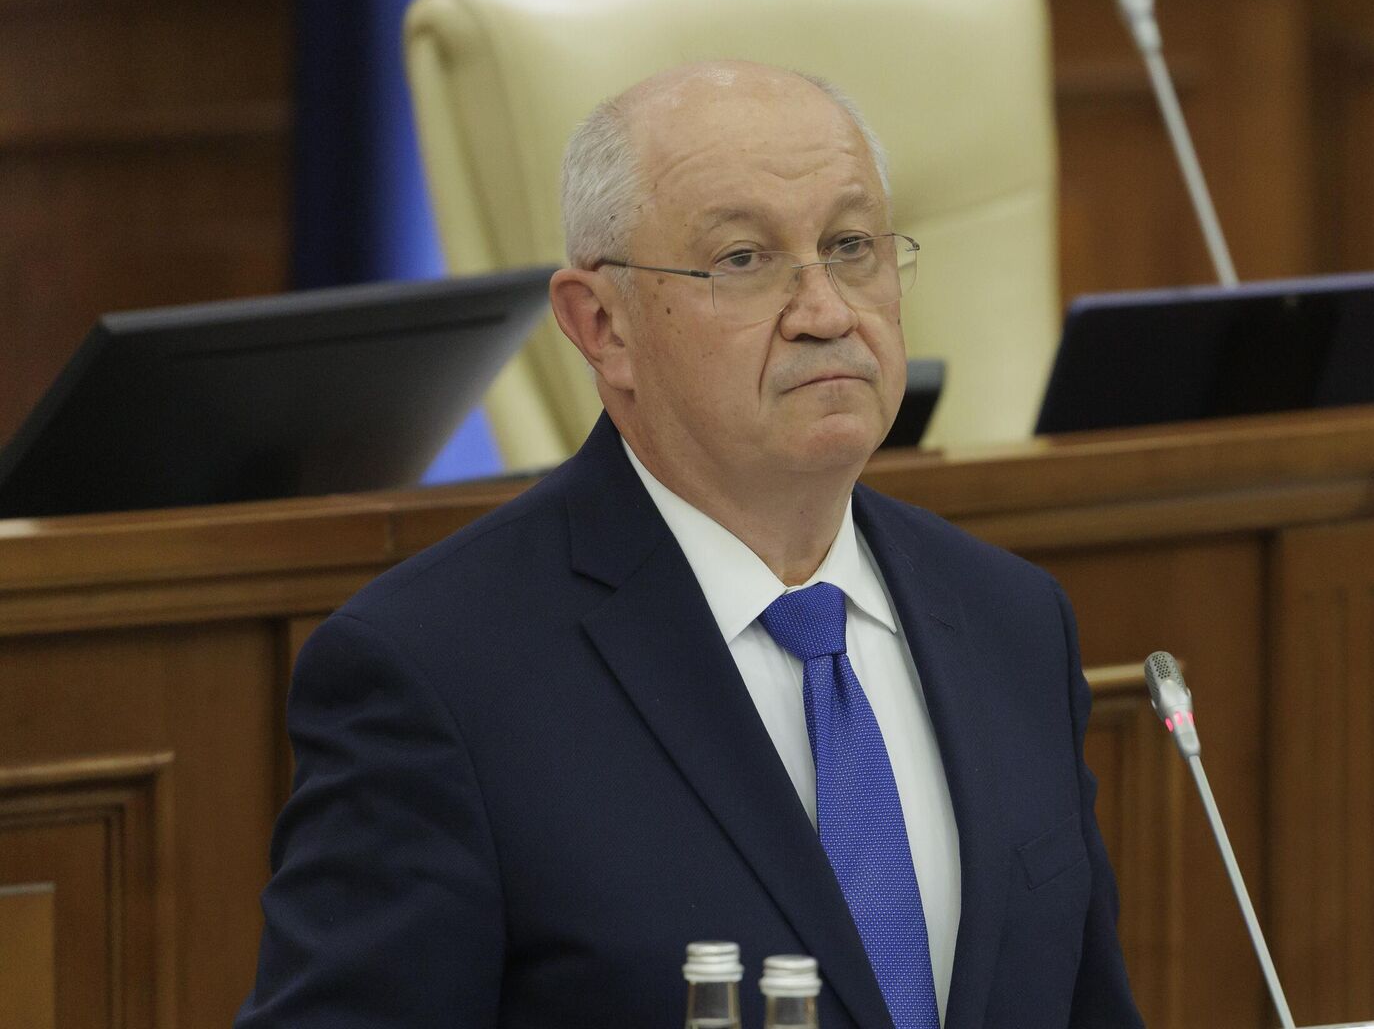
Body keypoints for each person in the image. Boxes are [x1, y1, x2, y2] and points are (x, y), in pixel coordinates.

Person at [236, 61, 1143, 1029]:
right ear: (602, 326)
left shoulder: (1013, 621)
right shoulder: (436, 676)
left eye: (851, 247)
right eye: (743, 260)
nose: (827, 312)